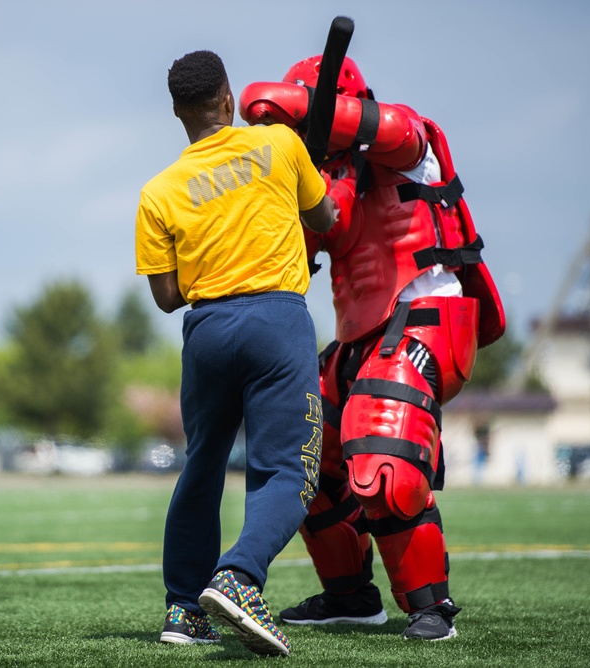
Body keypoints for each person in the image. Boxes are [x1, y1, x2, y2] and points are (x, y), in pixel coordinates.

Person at [239, 52, 506, 640]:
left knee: (381, 450)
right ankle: (350, 597)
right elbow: (310, 237)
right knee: (300, 450)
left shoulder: (410, 140)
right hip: (355, 341)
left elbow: (391, 131)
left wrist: (292, 111)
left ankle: (431, 608)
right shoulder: (323, 180)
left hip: (422, 322)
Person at [135, 50, 335, 657]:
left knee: (202, 466)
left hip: (208, 332)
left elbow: (168, 297)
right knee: (289, 469)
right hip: (276, 321)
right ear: (229, 98)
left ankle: (182, 608)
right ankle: (240, 576)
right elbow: (323, 215)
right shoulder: (279, 143)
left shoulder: (158, 190)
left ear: (177, 111)